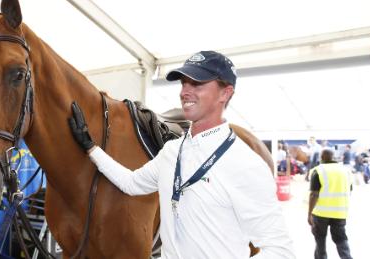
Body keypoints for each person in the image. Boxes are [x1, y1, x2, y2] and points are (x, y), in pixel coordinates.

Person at [69, 51, 295, 258]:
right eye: (184, 83)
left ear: (225, 93)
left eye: (197, 84)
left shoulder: (246, 165)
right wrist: (91, 148)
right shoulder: (172, 150)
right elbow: (131, 182)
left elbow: (280, 251)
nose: (185, 91)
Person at [308, 149, 353, 259]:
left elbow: (314, 194)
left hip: (321, 214)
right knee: (341, 240)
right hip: (340, 213)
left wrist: (309, 213)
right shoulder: (346, 171)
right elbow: (349, 190)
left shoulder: (318, 170)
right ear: (334, 157)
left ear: (321, 157)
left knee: (320, 241)